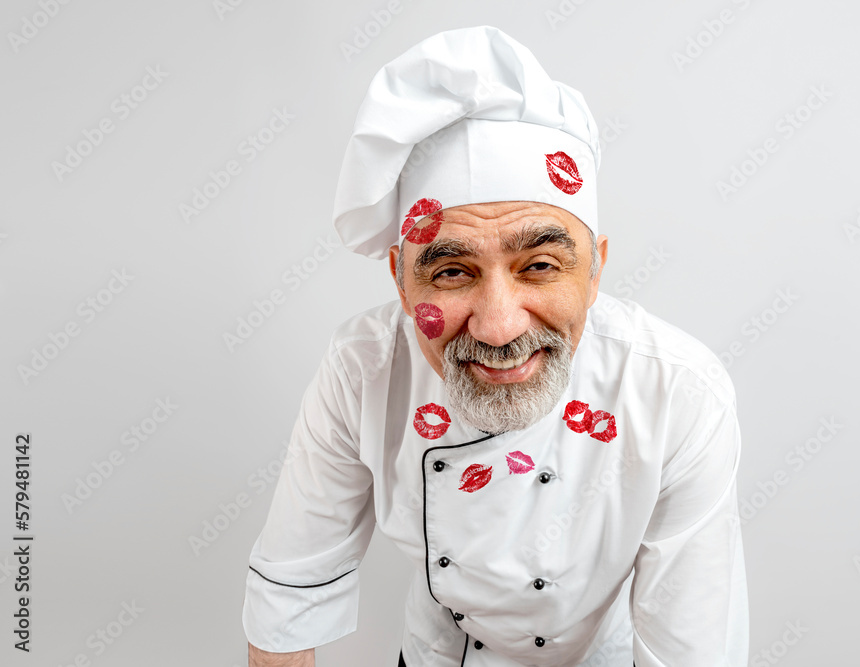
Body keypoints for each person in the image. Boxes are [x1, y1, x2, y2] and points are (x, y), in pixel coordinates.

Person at [243, 25, 748, 667]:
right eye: (452, 272)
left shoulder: (677, 392)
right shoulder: (364, 369)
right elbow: (292, 587)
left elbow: (691, 646)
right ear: (400, 280)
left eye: (539, 265)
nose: (500, 327)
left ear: (594, 272)